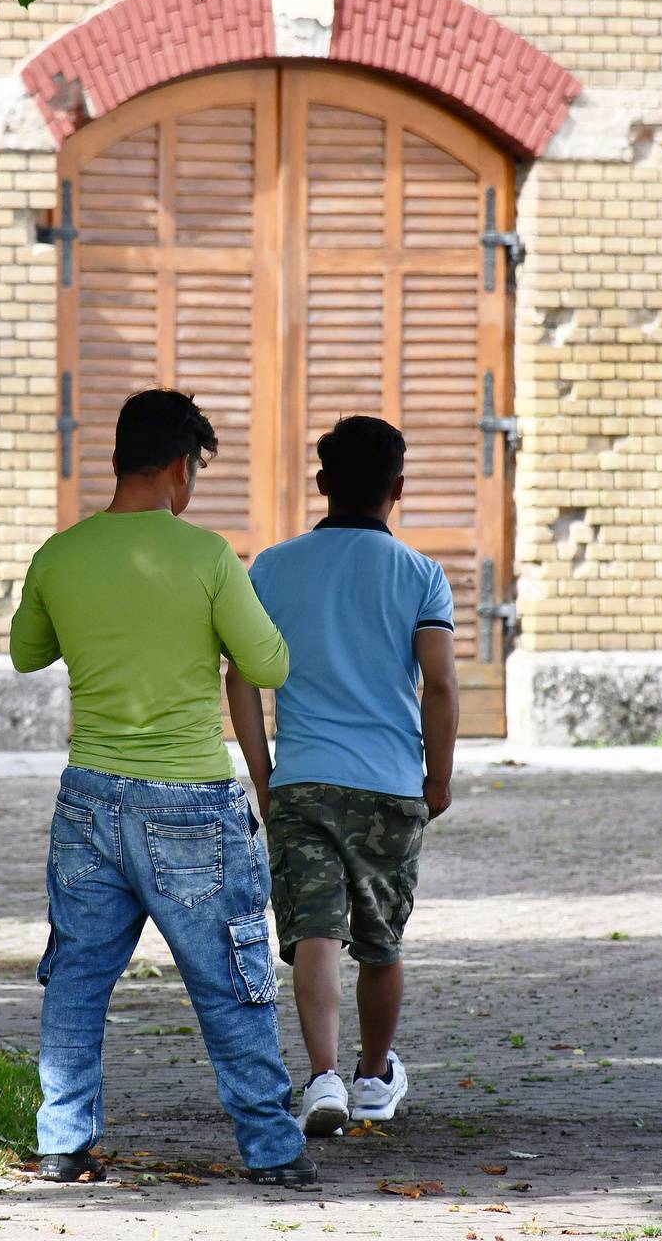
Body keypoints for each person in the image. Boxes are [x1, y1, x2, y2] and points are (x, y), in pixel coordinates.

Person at [9, 389, 316, 1187]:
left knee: (76, 978)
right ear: (181, 466)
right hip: (192, 807)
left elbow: (26, 651)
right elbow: (270, 666)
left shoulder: (59, 555)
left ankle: (62, 1141)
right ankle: (273, 1151)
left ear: (118, 458)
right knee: (231, 980)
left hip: (88, 800)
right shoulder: (209, 557)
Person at [226, 415, 458, 1137]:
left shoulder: (271, 567)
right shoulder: (421, 575)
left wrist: (264, 776)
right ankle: (372, 1077)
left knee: (315, 935)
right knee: (380, 944)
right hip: (390, 786)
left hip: (302, 782)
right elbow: (442, 686)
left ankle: (322, 1076)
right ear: (397, 488)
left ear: (322, 483)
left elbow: (240, 679)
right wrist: (438, 779)